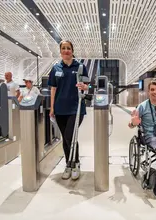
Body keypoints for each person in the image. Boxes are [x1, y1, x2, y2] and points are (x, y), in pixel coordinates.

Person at [48, 40, 89, 180]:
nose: (66, 50)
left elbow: (87, 86)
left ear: (72, 50)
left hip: (76, 109)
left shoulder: (81, 67)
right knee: (65, 140)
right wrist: (52, 107)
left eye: (68, 48)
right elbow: (53, 89)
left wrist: (85, 87)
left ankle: (75, 163)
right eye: (63, 48)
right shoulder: (55, 68)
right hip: (60, 109)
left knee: (70, 136)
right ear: (60, 51)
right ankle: (68, 164)